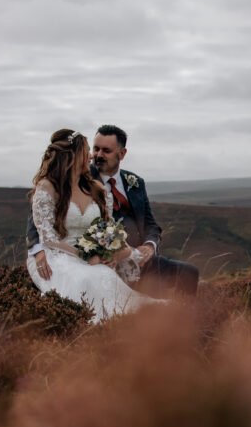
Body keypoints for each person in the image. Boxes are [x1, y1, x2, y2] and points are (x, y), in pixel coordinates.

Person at [27, 125, 199, 298]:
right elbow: (38, 222)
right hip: (94, 258)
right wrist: (38, 251)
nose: (97, 155)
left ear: (122, 153)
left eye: (106, 151)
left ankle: (184, 320)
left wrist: (149, 246)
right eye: (95, 149)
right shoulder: (78, 178)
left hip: (133, 256)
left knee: (189, 273)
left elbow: (150, 224)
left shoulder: (135, 182)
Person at [26, 128, 160, 323]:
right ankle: (91, 326)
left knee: (106, 276)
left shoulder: (95, 188)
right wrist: (83, 256)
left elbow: (107, 227)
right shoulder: (47, 187)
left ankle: (125, 324)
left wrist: (108, 253)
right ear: (73, 156)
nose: (91, 156)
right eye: (88, 150)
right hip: (54, 255)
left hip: (91, 255)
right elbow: (47, 237)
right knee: (85, 279)